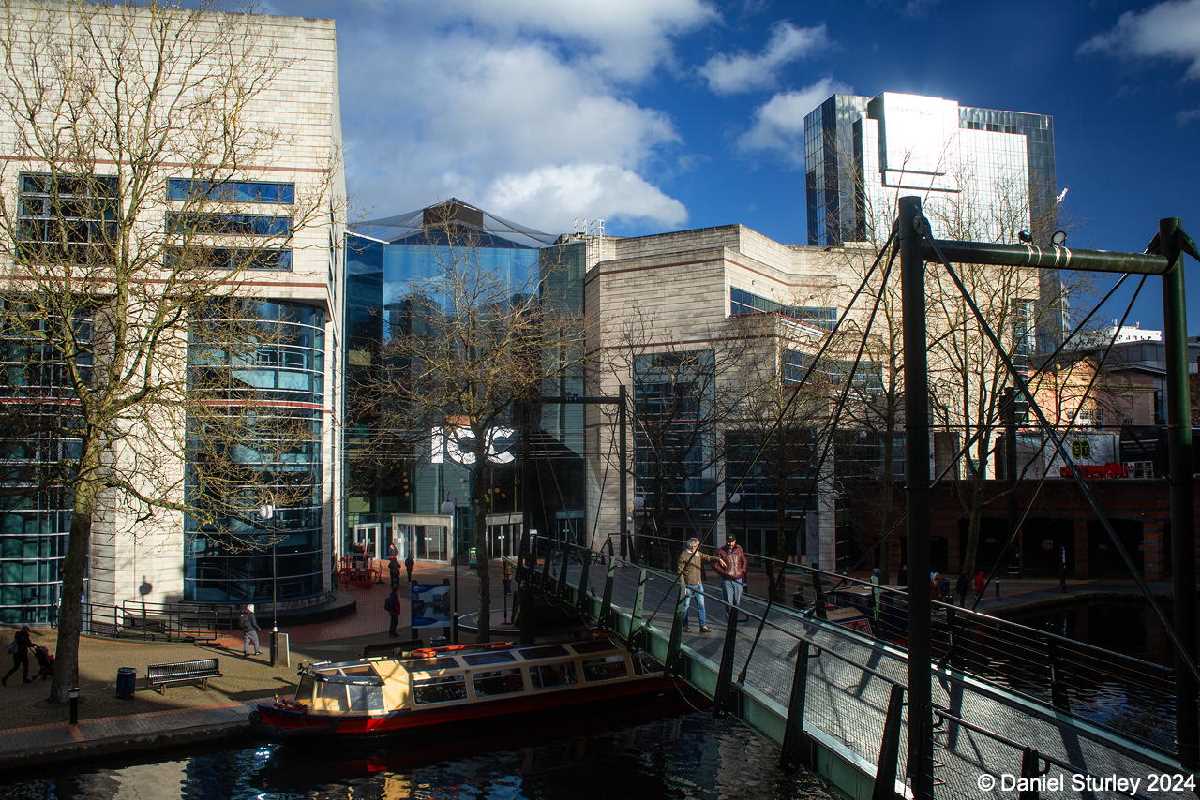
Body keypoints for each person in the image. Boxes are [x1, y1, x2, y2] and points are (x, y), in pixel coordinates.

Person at [677, 537, 723, 633]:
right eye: (697, 545)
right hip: (688, 585)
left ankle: (703, 626)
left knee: (701, 606)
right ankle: (685, 626)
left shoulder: (698, 554)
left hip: (698, 584)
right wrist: (683, 586)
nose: (698, 547)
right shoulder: (684, 555)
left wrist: (718, 559)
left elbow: (708, 557)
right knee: (686, 606)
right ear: (692, 546)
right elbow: (679, 572)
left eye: (698, 545)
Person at [713, 533, 747, 620]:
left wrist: (743, 571)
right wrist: (725, 573)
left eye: (732, 541)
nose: (730, 543)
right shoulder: (720, 551)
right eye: (728, 541)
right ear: (726, 541)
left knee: (737, 601)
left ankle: (734, 617)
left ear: (735, 541)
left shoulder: (739, 549)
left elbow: (744, 560)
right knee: (728, 601)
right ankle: (730, 618)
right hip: (727, 580)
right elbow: (715, 565)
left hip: (738, 579)